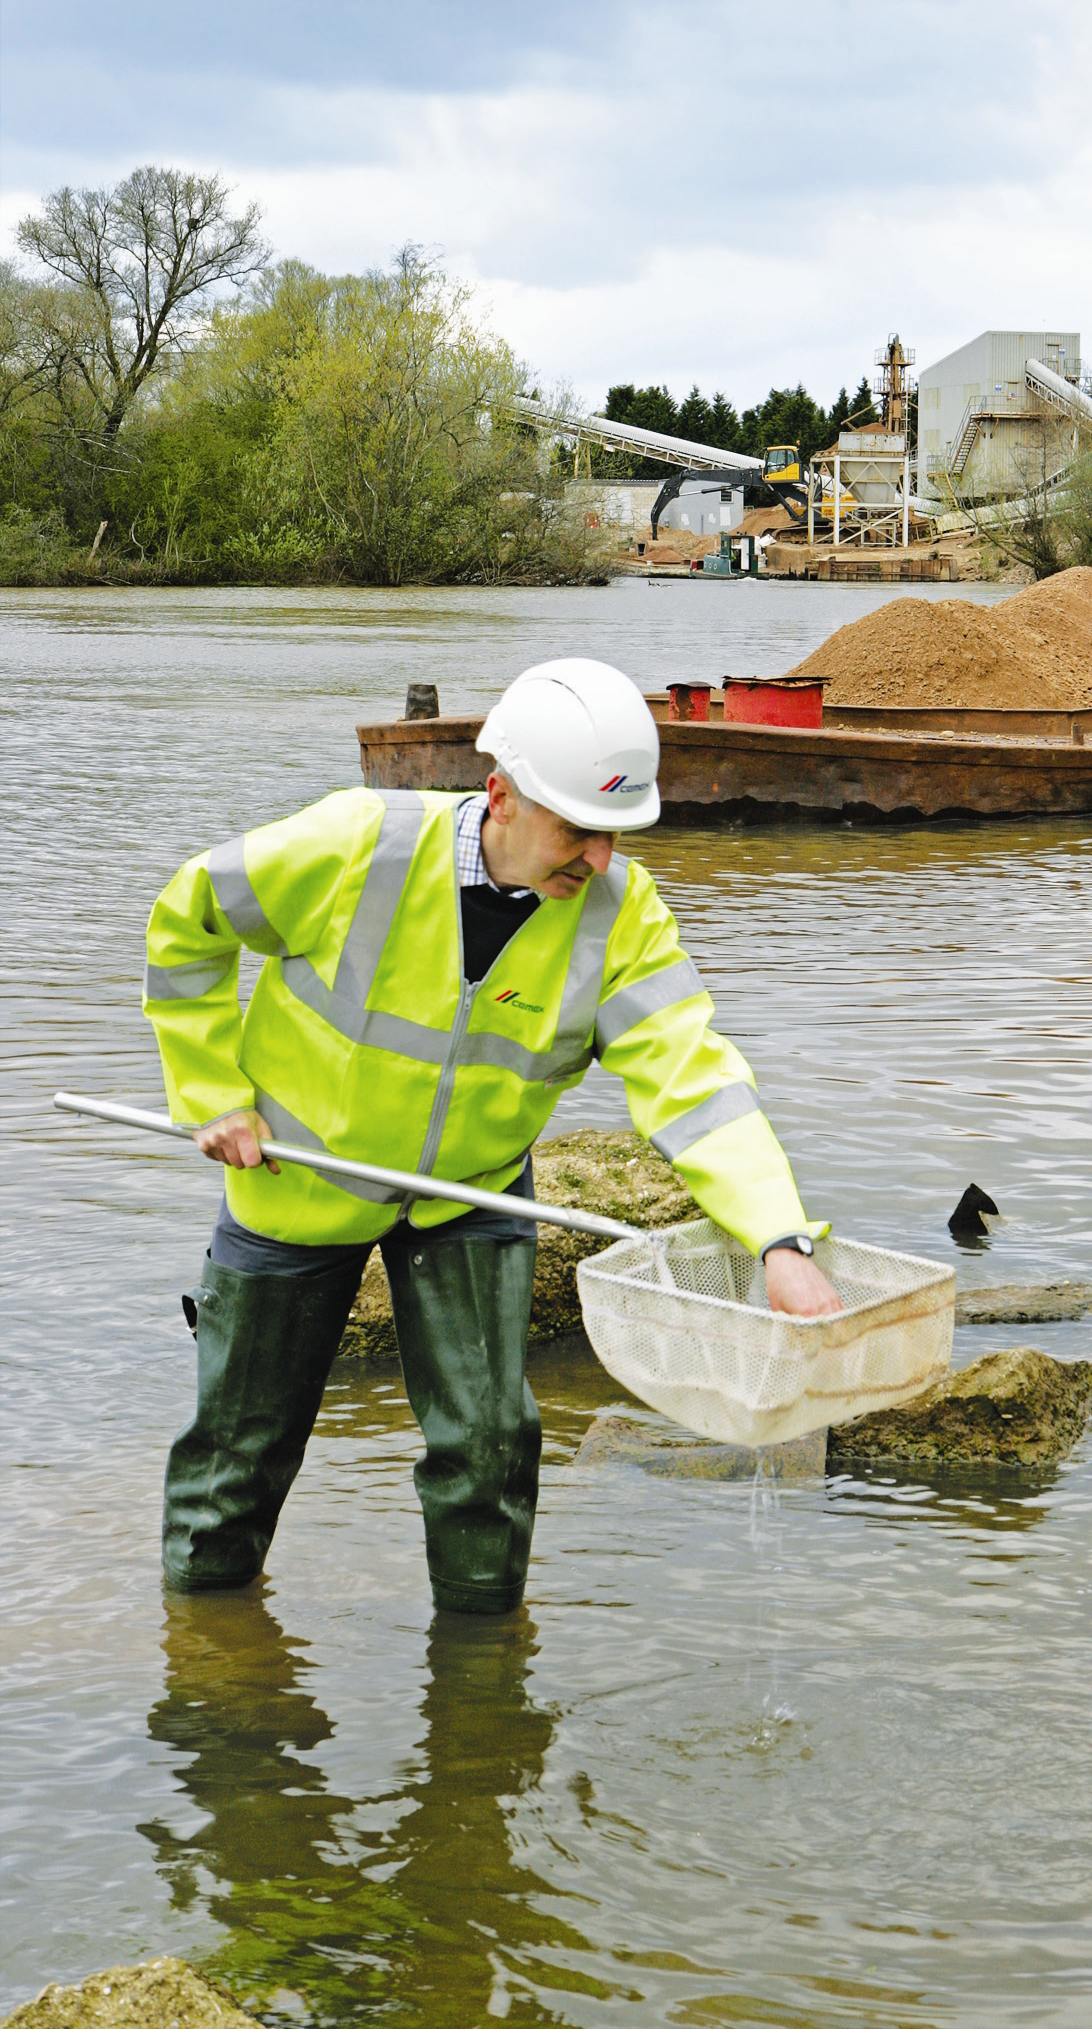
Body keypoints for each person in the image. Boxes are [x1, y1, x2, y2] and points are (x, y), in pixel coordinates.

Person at [145, 657, 840, 1613]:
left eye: (616, 835)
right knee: (238, 1453)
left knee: (489, 1449)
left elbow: (696, 1080)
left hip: (468, 1198)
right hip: (295, 1187)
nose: (599, 859)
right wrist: (210, 1092)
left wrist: (779, 1241)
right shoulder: (355, 846)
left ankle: (482, 1689)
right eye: (579, 831)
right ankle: (210, 1668)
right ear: (500, 794)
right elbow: (188, 920)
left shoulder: (619, 915)